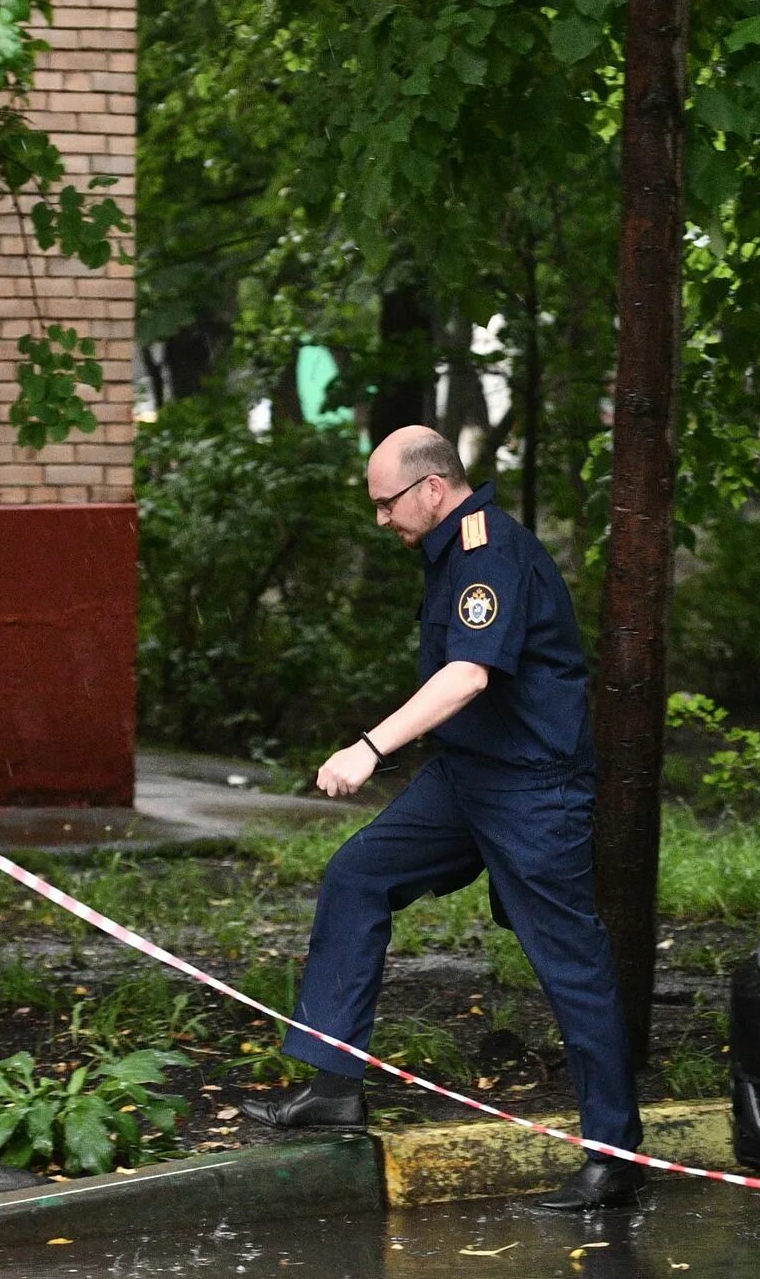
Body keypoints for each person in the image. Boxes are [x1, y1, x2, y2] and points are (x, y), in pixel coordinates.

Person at [237, 426, 646, 1211]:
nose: (381, 519)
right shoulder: (450, 553)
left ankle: (614, 1154)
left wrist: (369, 746)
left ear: (431, 488)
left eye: (387, 503)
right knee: (357, 875)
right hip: (466, 780)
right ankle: (334, 1083)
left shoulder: (489, 555)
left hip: (533, 789)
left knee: (569, 960)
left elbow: (467, 674)